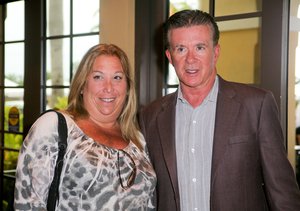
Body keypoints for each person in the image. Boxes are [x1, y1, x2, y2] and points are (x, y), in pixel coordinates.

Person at [138, 9, 300, 211]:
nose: (190, 59)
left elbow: (283, 193)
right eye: (181, 49)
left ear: (215, 52)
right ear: (170, 56)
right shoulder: (150, 116)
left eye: (199, 47)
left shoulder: (256, 105)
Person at [14, 43, 156, 210]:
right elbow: (28, 205)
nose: (108, 88)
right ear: (82, 85)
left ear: (127, 88)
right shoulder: (54, 127)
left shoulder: (137, 139)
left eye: (117, 77)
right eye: (98, 77)